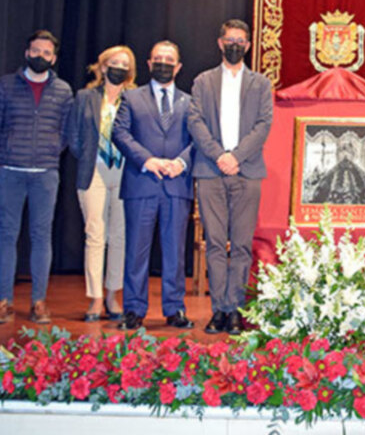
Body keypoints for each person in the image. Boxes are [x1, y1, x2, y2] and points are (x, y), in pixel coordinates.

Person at [188, 19, 273, 335]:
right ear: (220, 43)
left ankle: (235, 309)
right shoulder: (202, 81)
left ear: (248, 46)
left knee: (240, 244)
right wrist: (218, 155)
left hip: (247, 171)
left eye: (241, 40)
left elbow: (264, 125)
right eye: (230, 39)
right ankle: (218, 310)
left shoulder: (261, 84)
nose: (235, 45)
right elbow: (195, 121)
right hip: (210, 170)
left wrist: (236, 156)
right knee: (213, 242)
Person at [0, 30, 73, 324]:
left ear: (54, 58)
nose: (40, 57)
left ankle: (38, 302)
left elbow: (66, 131)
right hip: (10, 172)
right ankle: (4, 302)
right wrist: (10, 150)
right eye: (36, 51)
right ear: (27, 52)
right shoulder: (6, 85)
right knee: (8, 235)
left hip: (45, 174)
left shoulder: (63, 91)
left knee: (41, 236)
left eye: (46, 53)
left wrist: (48, 152)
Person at [112, 40, 194, 330]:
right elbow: (119, 133)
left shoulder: (190, 100)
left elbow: (198, 139)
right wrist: (149, 160)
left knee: (175, 251)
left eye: (168, 59)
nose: (163, 63)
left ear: (178, 66)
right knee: (136, 250)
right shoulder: (131, 98)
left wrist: (181, 163)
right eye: (157, 58)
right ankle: (133, 310)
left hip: (177, 185)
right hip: (142, 183)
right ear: (148, 64)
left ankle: (175, 309)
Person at [69, 45, 137, 322]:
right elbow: (73, 136)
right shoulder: (85, 96)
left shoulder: (135, 98)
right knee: (95, 233)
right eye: (114, 62)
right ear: (103, 65)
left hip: (124, 173)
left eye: (124, 63)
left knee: (119, 236)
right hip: (93, 171)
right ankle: (95, 298)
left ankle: (113, 294)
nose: (118, 67)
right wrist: (88, 156)